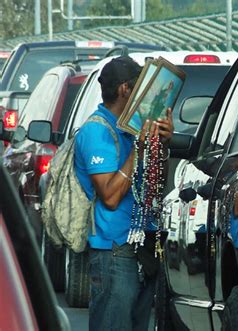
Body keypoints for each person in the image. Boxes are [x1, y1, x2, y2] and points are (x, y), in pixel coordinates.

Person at [74, 55, 174, 331]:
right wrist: (139, 150)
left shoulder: (131, 129)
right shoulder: (97, 131)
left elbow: (153, 187)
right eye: (141, 86)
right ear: (125, 90)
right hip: (114, 250)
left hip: (141, 246)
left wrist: (162, 144)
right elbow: (110, 196)